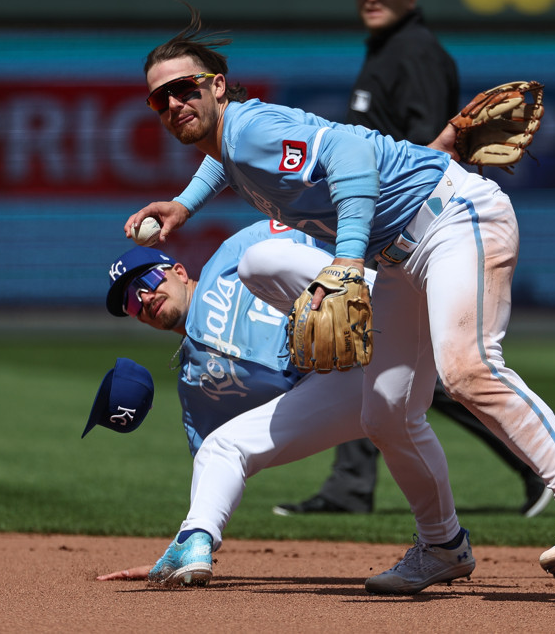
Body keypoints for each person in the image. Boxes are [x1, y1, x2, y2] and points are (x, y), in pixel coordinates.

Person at [124, 5, 555, 593]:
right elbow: (226, 164)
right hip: (399, 258)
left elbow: (351, 157)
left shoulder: (251, 130)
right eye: (157, 101)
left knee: (468, 368)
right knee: (385, 410)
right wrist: (183, 205)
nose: (171, 106)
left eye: (183, 89)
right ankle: (443, 546)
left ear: (216, 86)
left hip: (452, 219)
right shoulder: (236, 139)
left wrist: (343, 260)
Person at [273, 0, 549, 520]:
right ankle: (351, 484)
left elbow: (430, 159)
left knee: (431, 369)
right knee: (363, 349)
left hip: (411, 230)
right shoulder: (387, 51)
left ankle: (538, 465)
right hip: (381, 232)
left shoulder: (415, 53)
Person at [90, 220, 395, 587]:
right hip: (342, 385)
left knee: (263, 257)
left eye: (146, 282)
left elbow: (310, 225)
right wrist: (186, 535)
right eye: (129, 302)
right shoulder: (194, 383)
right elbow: (213, 466)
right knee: (219, 449)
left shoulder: (231, 254)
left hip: (366, 317)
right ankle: (192, 545)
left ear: (179, 271)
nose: (142, 299)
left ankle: (404, 296)